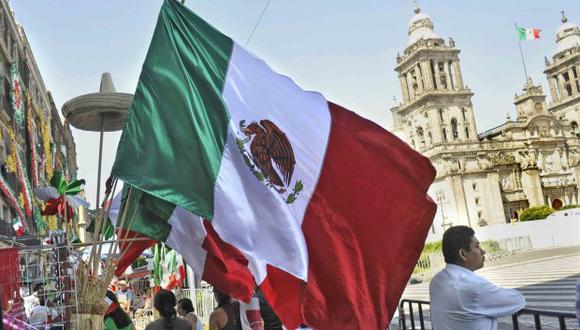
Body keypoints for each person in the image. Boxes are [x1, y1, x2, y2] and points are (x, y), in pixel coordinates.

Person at [429, 226, 526, 330]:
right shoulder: (474, 287)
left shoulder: (436, 281)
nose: (483, 251)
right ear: (462, 254)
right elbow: (517, 300)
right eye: (477, 246)